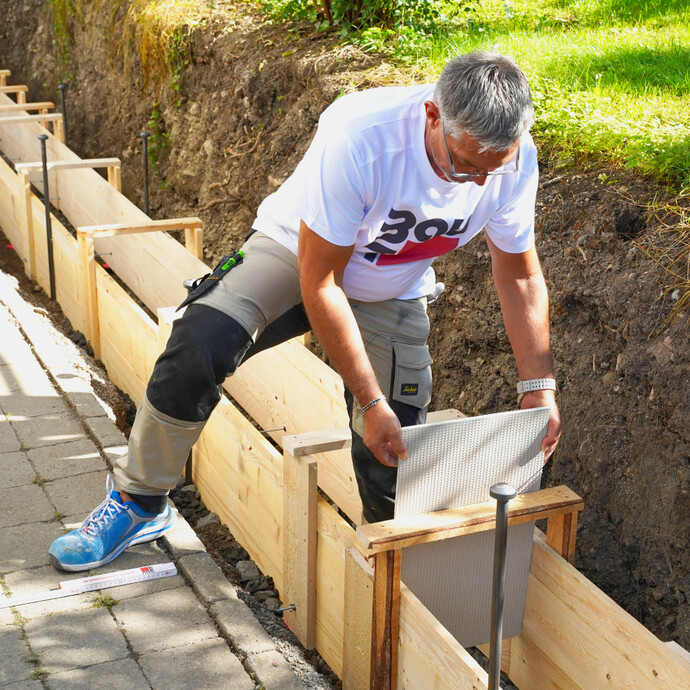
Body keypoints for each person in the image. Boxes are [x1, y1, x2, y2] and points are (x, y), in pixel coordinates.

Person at [49, 51, 561, 572]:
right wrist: (368, 400)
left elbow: (519, 274)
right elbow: (320, 283)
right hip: (300, 255)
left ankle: (394, 569)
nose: (476, 182)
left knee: (398, 442)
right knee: (201, 339)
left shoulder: (509, 161)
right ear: (433, 115)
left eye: (491, 169)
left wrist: (537, 388)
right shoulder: (362, 135)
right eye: (465, 165)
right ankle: (140, 502)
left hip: (392, 287)